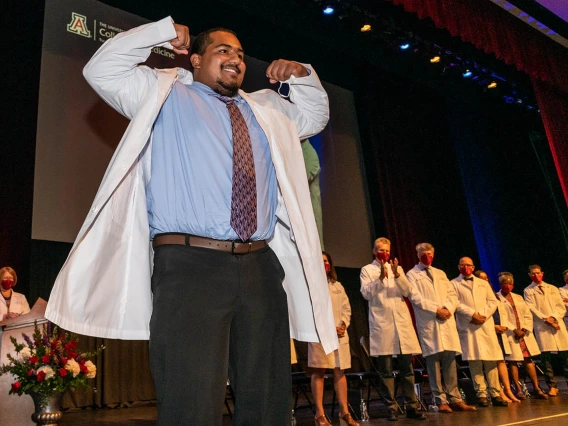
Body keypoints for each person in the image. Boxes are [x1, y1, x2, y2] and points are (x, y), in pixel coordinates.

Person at [45, 18, 338, 426]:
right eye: (223, 50)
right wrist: (160, 32)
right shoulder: (164, 93)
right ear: (196, 60)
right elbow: (102, 69)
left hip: (260, 266)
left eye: (239, 53)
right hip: (190, 265)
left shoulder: (268, 109)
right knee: (191, 397)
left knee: (268, 396)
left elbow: (316, 115)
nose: (235, 58)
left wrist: (303, 77)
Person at [360, 238, 425, 421]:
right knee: (386, 370)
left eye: (387, 250)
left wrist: (397, 275)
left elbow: (407, 292)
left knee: (407, 369)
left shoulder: (398, 269)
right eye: (380, 250)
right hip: (383, 325)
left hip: (401, 326)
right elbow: (366, 293)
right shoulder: (367, 270)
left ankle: (411, 406)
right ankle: (391, 407)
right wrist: (380, 278)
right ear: (374, 251)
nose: (384, 253)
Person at [406, 243, 476, 413]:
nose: (427, 256)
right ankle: (440, 399)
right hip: (429, 321)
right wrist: (435, 309)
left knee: (450, 362)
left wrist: (447, 309)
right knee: (433, 363)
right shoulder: (411, 274)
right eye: (423, 253)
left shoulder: (441, 273)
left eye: (429, 253)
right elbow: (415, 297)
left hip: (446, 321)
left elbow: (452, 295)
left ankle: (455, 399)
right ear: (417, 254)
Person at [310, 252, 359, 426]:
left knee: (340, 372)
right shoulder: (311, 286)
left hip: (339, 335)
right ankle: (319, 414)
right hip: (320, 336)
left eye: (326, 261)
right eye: (321, 261)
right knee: (319, 372)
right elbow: (312, 312)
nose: (324, 264)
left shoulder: (338, 285)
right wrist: (329, 328)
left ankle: (344, 413)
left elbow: (346, 309)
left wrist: (343, 324)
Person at [452, 259, 508, 407]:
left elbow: (493, 301)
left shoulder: (483, 283)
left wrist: (483, 315)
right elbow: (455, 303)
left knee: (491, 360)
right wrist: (472, 314)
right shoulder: (453, 284)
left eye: (468, 265)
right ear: (459, 267)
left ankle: (495, 393)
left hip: (485, 324)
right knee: (474, 360)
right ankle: (481, 394)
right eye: (462, 265)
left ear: (473, 267)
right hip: (469, 325)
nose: (466, 267)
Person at [496, 272, 548, 400]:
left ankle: (536, 388)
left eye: (510, 284)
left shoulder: (518, 297)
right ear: (501, 284)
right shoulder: (497, 298)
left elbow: (527, 314)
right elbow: (502, 318)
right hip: (511, 334)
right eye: (505, 283)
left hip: (523, 334)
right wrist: (514, 330)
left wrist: (524, 329)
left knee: (528, 359)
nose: (508, 286)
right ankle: (518, 389)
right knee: (513, 361)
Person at [474, 270, 520, 403]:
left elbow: (502, 313)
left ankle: (508, 390)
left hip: (500, 333)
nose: (485, 281)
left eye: (486, 278)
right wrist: (494, 327)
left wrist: (503, 326)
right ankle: (498, 391)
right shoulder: (477, 296)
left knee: (501, 361)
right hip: (487, 331)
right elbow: (480, 316)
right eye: (481, 278)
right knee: (492, 362)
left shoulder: (494, 295)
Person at [524, 264, 568, 397]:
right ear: (529, 275)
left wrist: (554, 317)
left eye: (538, 273)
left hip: (557, 323)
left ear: (542, 273)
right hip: (542, 326)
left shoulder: (552, 288)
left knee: (565, 356)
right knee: (546, 358)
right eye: (533, 274)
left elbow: (560, 306)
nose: (536, 276)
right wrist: (546, 319)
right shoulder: (528, 291)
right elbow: (531, 308)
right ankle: (552, 386)